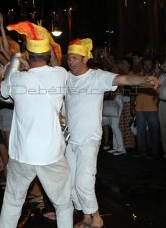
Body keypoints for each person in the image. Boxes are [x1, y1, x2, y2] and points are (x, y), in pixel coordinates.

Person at [64, 38, 159, 228]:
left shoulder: (97, 77)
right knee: (70, 184)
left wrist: (144, 79)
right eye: (69, 58)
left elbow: (123, 79)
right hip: (70, 139)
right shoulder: (66, 77)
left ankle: (97, 219)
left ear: (85, 59)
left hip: (89, 140)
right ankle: (86, 217)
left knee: (84, 182)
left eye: (75, 58)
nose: (71, 61)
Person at [0, 21, 73, 228]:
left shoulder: (17, 80)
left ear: (28, 56)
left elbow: (2, 91)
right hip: (51, 153)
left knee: (13, 201)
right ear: (48, 55)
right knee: (64, 204)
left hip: (23, 153)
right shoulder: (61, 75)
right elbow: (56, 65)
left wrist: (10, 66)